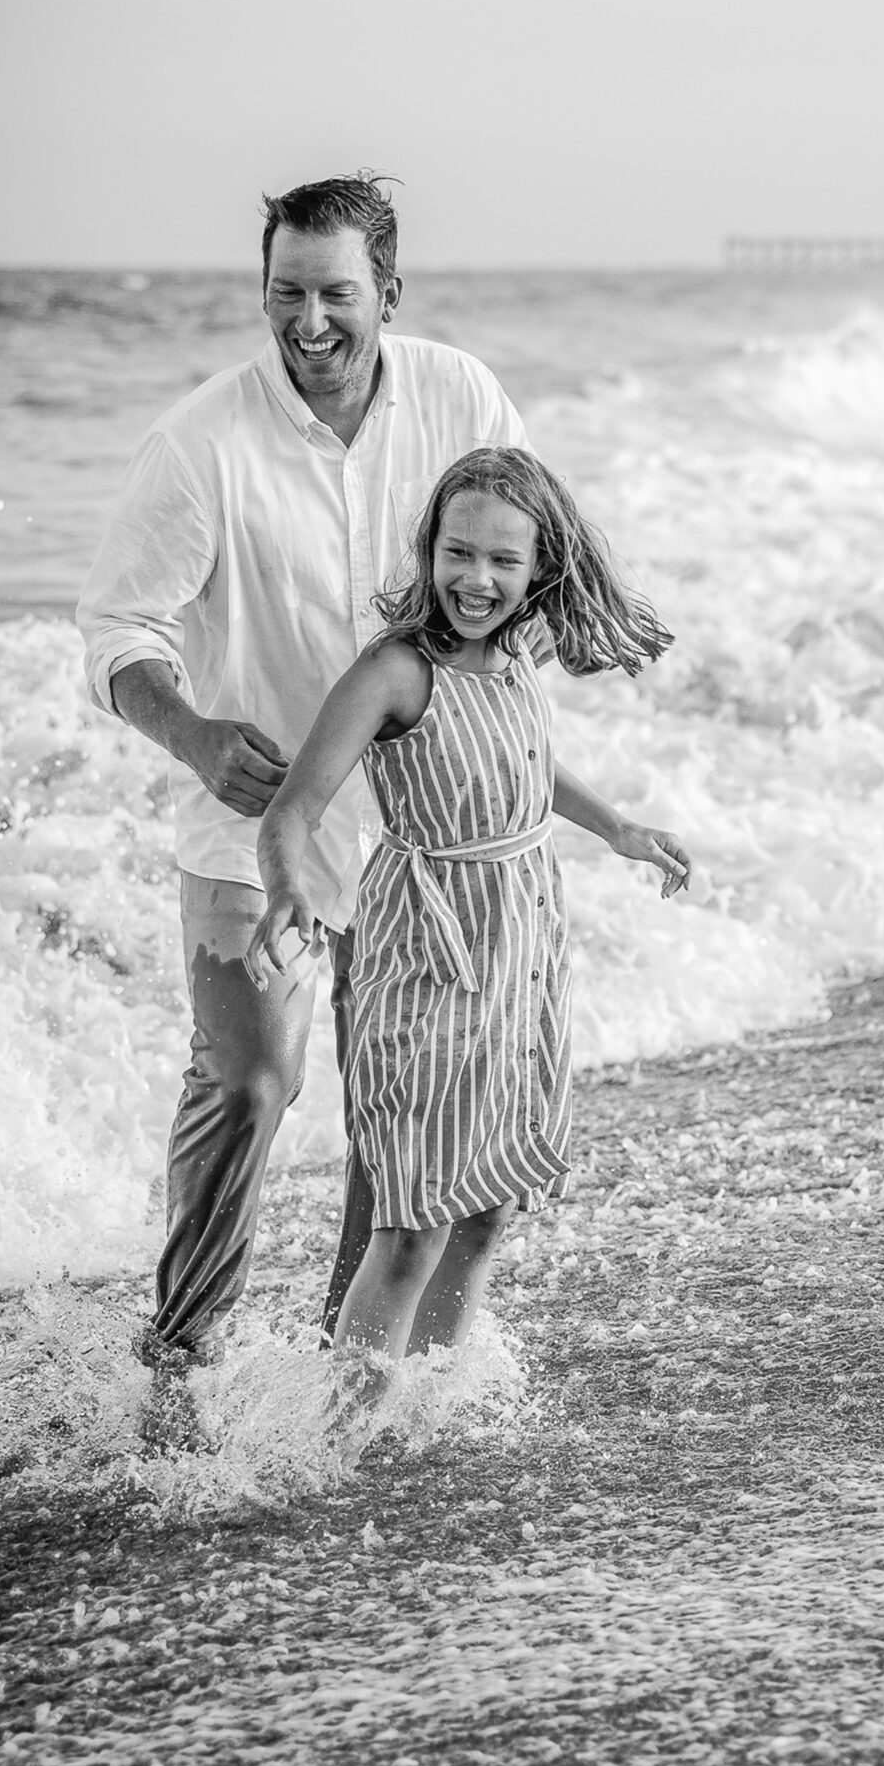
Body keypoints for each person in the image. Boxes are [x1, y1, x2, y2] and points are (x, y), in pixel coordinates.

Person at [77, 174, 527, 1384]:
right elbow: (118, 631)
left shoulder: (461, 395)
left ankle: (347, 1373)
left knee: (398, 1113)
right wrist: (192, 732)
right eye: (285, 295)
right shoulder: (201, 441)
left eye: (337, 294)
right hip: (251, 821)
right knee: (250, 1080)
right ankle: (182, 1356)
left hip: (416, 836)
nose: (309, 323)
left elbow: (519, 572)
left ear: (389, 289)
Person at [245, 447, 689, 1363]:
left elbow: (520, 761)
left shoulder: (518, 652)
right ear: (428, 549)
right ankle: (346, 1435)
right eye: (457, 553)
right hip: (429, 966)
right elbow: (293, 809)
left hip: (520, 957)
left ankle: (428, 1413)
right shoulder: (396, 673)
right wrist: (288, 892)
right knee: (413, 1221)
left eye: (502, 560)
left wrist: (616, 829)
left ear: (540, 568)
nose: (475, 579)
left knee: (486, 1208)